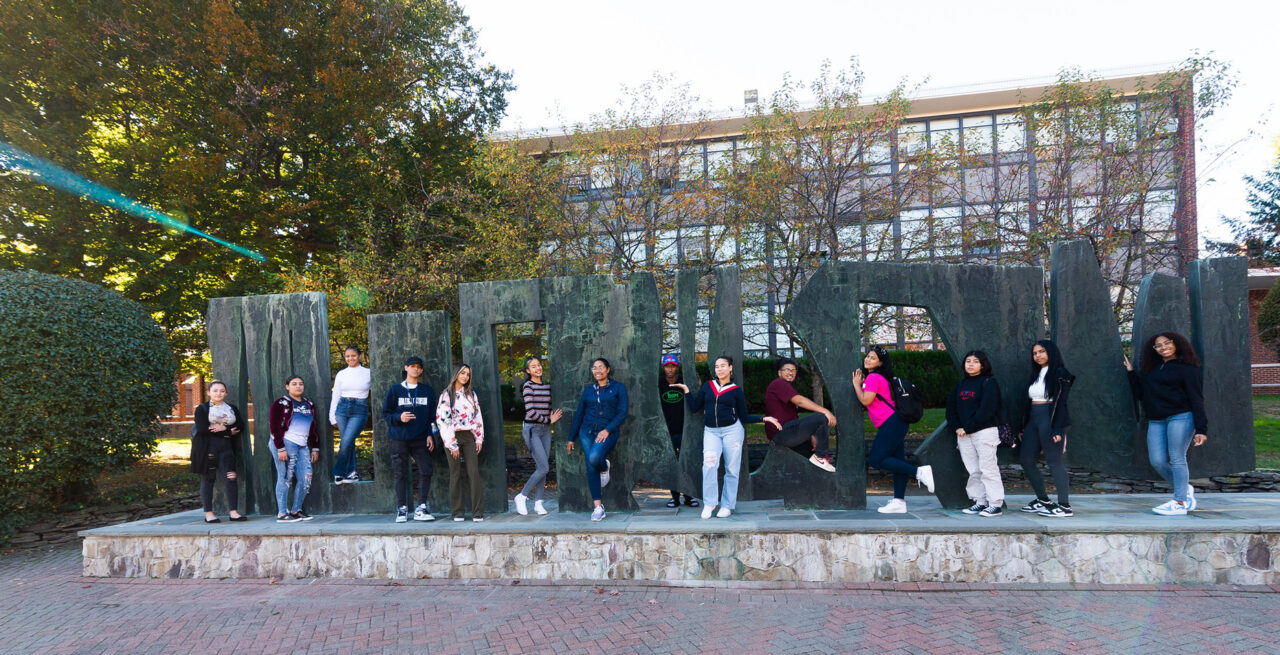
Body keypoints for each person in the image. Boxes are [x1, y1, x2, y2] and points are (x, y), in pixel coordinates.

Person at [670, 356, 781, 519]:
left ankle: (727, 505)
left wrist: (764, 418)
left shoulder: (736, 390)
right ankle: (709, 503)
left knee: (732, 470)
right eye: (717, 366)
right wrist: (686, 390)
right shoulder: (708, 386)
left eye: (723, 366)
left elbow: (744, 416)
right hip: (711, 432)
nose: (719, 369)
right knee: (709, 466)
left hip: (732, 432)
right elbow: (694, 407)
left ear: (730, 368)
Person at [1124, 332, 1208, 516]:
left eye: (1167, 343)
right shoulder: (1153, 369)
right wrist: (1130, 372)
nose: (1164, 347)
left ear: (1176, 344)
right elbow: (1141, 394)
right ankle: (1185, 489)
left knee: (1177, 458)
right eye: (1159, 346)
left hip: (1181, 417)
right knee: (1157, 461)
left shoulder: (1188, 368)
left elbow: (1197, 399)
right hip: (1157, 420)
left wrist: (1201, 429)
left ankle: (1180, 502)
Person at [853, 346, 935, 513]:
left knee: (876, 460)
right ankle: (899, 502)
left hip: (891, 422)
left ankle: (919, 472)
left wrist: (856, 385)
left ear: (880, 363)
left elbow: (866, 400)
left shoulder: (874, 377)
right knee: (898, 461)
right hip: (896, 422)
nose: (868, 359)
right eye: (868, 356)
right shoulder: (879, 377)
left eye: (873, 358)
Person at [1018, 340, 1076, 518]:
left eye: (1042, 351)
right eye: (1035, 353)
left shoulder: (1060, 373)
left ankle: (1064, 506)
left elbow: (1061, 403)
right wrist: (1023, 427)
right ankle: (1043, 500)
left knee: (1054, 461)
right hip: (1034, 419)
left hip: (1049, 419)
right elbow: (1028, 403)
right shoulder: (1036, 374)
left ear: (1051, 352)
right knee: (1026, 459)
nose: (1038, 356)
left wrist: (1058, 429)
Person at [567, 358, 628, 521]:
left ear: (608, 369)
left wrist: (608, 430)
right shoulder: (588, 391)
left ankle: (604, 466)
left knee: (594, 458)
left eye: (601, 367)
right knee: (591, 466)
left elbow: (622, 412)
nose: (597, 370)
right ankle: (598, 507)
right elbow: (579, 413)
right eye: (594, 368)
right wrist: (571, 437)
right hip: (586, 432)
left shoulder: (618, 388)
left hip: (607, 432)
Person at [945, 350, 1004, 517]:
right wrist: (957, 427)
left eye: (976, 361)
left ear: (983, 365)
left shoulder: (989, 383)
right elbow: (951, 409)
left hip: (984, 432)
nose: (971, 364)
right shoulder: (961, 385)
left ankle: (995, 504)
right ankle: (980, 501)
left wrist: (968, 427)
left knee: (988, 469)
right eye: (968, 361)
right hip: (964, 434)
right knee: (973, 470)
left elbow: (987, 409)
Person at [383, 356, 436, 523]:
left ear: (421, 370)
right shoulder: (394, 390)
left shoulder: (427, 390)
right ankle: (402, 508)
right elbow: (386, 413)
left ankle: (421, 507)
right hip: (399, 438)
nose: (416, 369)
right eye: (412, 366)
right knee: (400, 473)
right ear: (406, 368)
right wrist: (399, 417)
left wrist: (430, 434)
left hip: (421, 438)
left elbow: (432, 415)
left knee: (426, 470)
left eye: (419, 367)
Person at [763, 358, 837, 472]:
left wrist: (810, 434)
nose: (791, 373)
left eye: (793, 370)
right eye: (787, 370)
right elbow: (799, 401)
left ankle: (819, 464)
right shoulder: (779, 383)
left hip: (787, 432)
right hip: (782, 433)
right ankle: (820, 457)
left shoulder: (785, 386)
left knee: (812, 459)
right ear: (779, 372)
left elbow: (794, 420)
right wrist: (825, 411)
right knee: (821, 417)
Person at [190, 380, 246, 523]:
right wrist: (228, 431)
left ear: (226, 393)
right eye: (215, 391)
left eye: (222, 391)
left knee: (231, 477)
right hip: (208, 448)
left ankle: (233, 512)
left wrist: (223, 428)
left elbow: (240, 426)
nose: (218, 393)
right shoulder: (202, 409)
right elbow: (203, 428)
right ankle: (209, 513)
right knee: (208, 479)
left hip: (227, 448)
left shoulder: (231, 409)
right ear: (208, 393)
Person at [437, 364, 486, 521]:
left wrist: (479, 438)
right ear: (456, 374)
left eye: (468, 374)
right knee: (455, 473)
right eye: (462, 373)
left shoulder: (471, 394)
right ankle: (457, 512)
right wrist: (452, 444)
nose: (465, 376)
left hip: (469, 437)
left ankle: (477, 512)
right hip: (452, 437)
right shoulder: (447, 394)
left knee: (474, 473)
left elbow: (477, 416)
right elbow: (443, 420)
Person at [268, 376, 321, 523]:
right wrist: (280, 448)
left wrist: (315, 446)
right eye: (294, 384)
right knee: (285, 477)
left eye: (301, 384)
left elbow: (313, 427)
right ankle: (282, 513)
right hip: (285, 443)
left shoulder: (309, 404)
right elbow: (274, 426)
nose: (298, 386)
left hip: (302, 445)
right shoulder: (281, 403)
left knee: (305, 477)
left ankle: (296, 510)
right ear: (287, 387)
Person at [514, 356, 562, 516]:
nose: (538, 368)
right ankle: (522, 496)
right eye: (533, 366)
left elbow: (548, 407)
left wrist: (549, 421)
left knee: (542, 467)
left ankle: (538, 503)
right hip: (532, 430)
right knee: (544, 467)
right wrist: (548, 420)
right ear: (528, 371)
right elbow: (530, 411)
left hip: (546, 430)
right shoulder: (528, 386)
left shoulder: (547, 387)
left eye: (539, 365)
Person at [658, 353, 698, 508]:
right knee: (672, 465)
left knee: (685, 463)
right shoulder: (659, 383)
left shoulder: (684, 380)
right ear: (663, 368)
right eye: (667, 366)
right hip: (667, 430)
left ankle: (688, 496)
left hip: (683, 429)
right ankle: (674, 497)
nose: (670, 369)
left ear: (677, 367)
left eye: (673, 366)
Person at [330, 345, 370, 485]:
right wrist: (332, 416)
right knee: (348, 442)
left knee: (346, 441)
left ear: (359, 356)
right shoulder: (341, 374)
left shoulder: (368, 373)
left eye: (353, 355)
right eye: (347, 356)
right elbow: (336, 395)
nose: (350, 358)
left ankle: (339, 472)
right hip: (342, 409)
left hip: (359, 409)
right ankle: (352, 473)